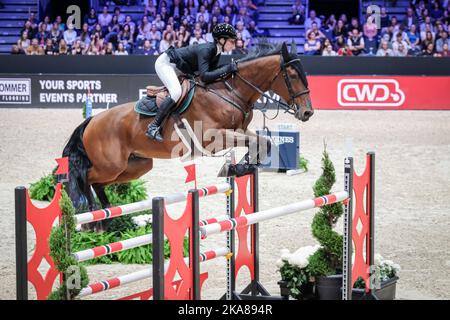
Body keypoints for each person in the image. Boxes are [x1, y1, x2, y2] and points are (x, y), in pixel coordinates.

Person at [145, 23, 238, 142]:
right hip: (166, 63)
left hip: (179, 66)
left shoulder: (217, 51)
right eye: (232, 41)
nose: (234, 45)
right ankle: (153, 126)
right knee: (176, 92)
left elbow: (212, 72)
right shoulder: (208, 49)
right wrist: (227, 69)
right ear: (221, 40)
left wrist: (228, 68)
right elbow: (204, 76)